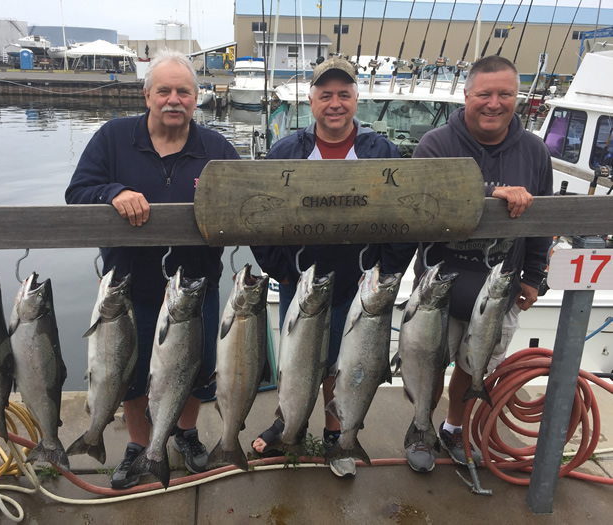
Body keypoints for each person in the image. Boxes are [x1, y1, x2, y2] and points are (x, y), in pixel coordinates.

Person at [65, 48, 240, 489]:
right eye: (164, 90)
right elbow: (77, 191)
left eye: (183, 91)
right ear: (147, 96)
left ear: (196, 99)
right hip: (129, 288)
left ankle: (184, 432)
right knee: (130, 370)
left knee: (193, 370)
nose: (173, 99)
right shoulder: (112, 138)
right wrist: (112, 191)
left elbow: (245, 205)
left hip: (195, 287)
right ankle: (140, 446)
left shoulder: (217, 149)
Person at [250, 56, 417, 478]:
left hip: (359, 282)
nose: (336, 103)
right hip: (301, 280)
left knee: (345, 362)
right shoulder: (287, 151)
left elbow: (408, 215)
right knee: (299, 358)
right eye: (327, 95)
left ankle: (336, 430)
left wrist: (386, 272)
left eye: (344, 94)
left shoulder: (383, 152)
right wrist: (279, 270)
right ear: (312, 100)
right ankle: (288, 421)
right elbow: (256, 213)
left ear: (356, 98)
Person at [406, 55, 553, 473]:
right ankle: (420, 427)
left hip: (500, 291)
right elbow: (420, 203)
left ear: (517, 98)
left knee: (473, 369)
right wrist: (493, 192)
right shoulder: (435, 144)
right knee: (430, 364)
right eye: (484, 94)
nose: (494, 103)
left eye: (505, 94)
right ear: (466, 95)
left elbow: (545, 221)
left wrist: (535, 276)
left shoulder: (535, 151)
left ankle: (453, 427)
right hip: (439, 291)